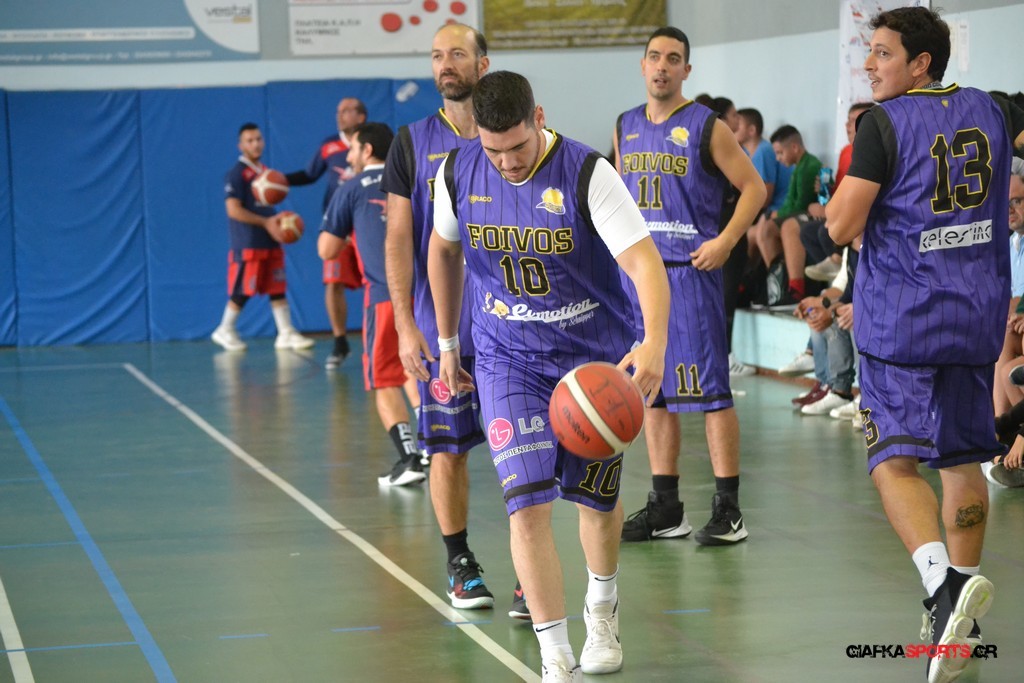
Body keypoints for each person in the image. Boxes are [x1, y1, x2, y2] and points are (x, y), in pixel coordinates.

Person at [428, 69, 670, 683]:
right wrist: (448, 342)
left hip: (592, 362)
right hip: (507, 359)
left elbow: (644, 262)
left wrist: (655, 342)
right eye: (494, 150)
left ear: (539, 118)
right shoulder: (456, 173)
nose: (508, 162)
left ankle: (602, 609)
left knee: (596, 503)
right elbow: (443, 249)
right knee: (527, 506)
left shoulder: (588, 173)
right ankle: (554, 654)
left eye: (518, 146)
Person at [825, 7, 1024, 683]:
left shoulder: (883, 124)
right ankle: (959, 619)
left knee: (895, 460)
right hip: (976, 315)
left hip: (902, 321)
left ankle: (942, 589)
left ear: (920, 63)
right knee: (963, 459)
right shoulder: (993, 110)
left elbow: (839, 226)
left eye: (882, 53)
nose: (869, 64)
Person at [614, 27, 766, 546]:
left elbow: (754, 187)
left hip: (690, 273)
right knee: (652, 391)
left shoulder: (706, 126)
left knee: (711, 395)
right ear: (642, 65)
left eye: (673, 58)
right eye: (654, 56)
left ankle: (729, 510)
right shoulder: (625, 125)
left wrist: (726, 240)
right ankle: (666, 507)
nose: (662, 66)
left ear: (686, 70)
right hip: (640, 276)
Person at [381, 23, 499, 612]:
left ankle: (531, 574)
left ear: (482, 64)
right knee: (448, 449)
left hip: (512, 324)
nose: (444, 63)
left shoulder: (513, 130)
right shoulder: (411, 141)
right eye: (436, 55)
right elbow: (399, 239)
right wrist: (406, 325)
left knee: (530, 446)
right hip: (441, 328)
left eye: (456, 53)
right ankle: (460, 564)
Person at [318, 122, 424, 486]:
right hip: (427, 295)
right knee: (416, 370)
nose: (348, 156)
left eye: (352, 148)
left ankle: (409, 458)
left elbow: (326, 250)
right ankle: (432, 444)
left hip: (384, 296)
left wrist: (350, 234)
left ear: (366, 150)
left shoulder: (351, 187)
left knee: (384, 379)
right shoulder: (414, 181)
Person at [211, 123, 314, 352]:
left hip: (271, 238)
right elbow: (233, 210)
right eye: (250, 140)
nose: (255, 144)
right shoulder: (237, 174)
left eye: (258, 139)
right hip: (248, 241)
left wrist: (280, 221)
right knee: (243, 289)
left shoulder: (266, 173)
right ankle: (225, 328)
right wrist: (266, 222)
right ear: (240, 145)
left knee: (277, 286)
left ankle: (285, 332)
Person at [286, 97, 368, 368]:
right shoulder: (328, 145)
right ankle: (340, 341)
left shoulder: (373, 141)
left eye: (346, 111)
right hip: (337, 225)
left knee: (377, 283)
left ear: (361, 116)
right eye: (338, 111)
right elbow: (309, 175)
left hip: (367, 222)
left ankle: (379, 340)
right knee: (333, 282)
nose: (340, 115)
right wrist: (279, 180)